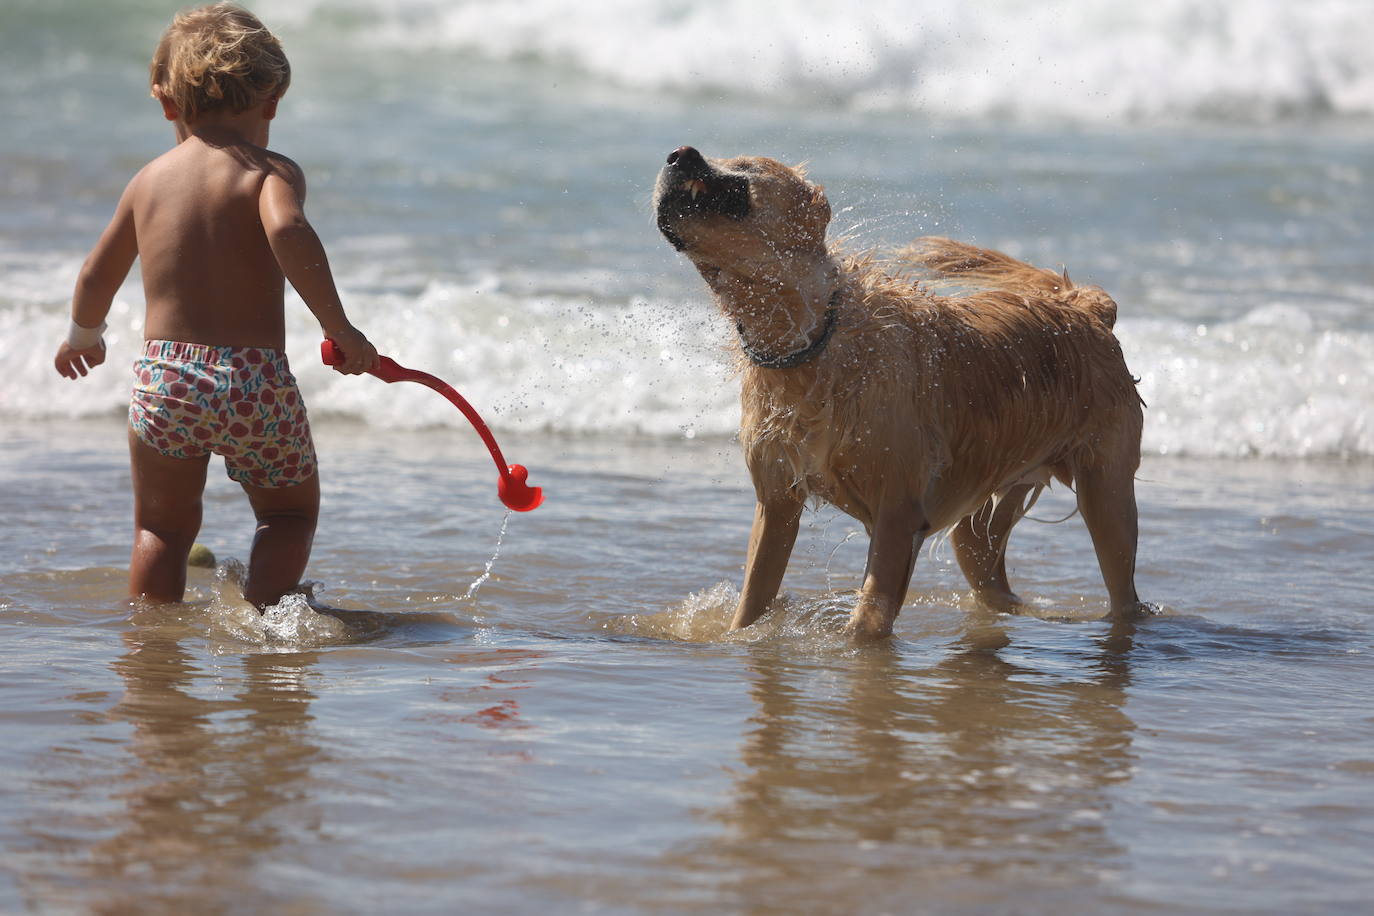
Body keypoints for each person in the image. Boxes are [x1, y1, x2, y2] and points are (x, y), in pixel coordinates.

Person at [53, 3, 379, 608]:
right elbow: (288, 233)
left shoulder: (148, 180)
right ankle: (266, 620)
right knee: (286, 515)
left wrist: (83, 335)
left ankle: (153, 646)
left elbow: (98, 271)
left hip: (167, 379)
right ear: (273, 99)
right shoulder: (268, 172)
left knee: (161, 528)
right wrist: (341, 328)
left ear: (167, 102)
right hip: (254, 380)